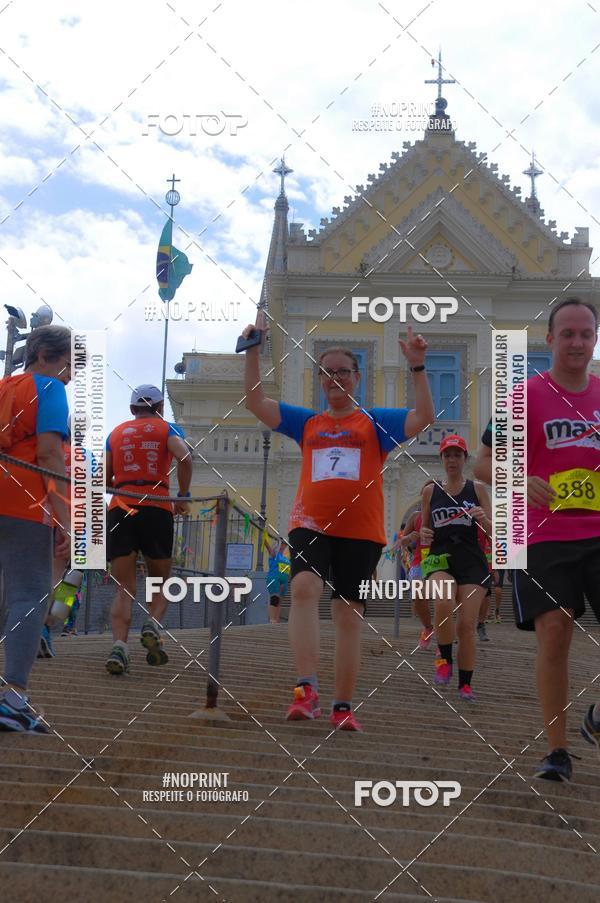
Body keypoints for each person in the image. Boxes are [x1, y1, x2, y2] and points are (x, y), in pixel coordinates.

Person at [242, 313, 435, 731]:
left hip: (362, 531)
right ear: (320, 380)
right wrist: (253, 352)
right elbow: (256, 402)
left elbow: (423, 418)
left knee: (348, 615)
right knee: (303, 586)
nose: (335, 379)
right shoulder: (306, 421)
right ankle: (305, 688)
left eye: (343, 372)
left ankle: (343, 705)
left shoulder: (374, 422)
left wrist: (417, 365)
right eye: (327, 373)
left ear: (357, 377)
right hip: (309, 522)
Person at [477, 297, 600, 781]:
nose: (576, 342)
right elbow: (484, 465)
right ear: (549, 340)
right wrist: (519, 475)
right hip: (545, 536)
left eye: (585, 333)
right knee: (555, 631)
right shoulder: (525, 396)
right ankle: (558, 750)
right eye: (566, 333)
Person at [0, 325, 71, 732]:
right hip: (23, 501)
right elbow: (48, 453)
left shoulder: (5, 385)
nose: (69, 374)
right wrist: (63, 517)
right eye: (67, 364)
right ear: (46, 355)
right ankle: (13, 698)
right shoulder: (49, 389)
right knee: (29, 593)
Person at [104, 385, 192, 675]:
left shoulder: (115, 434)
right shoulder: (167, 430)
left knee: (124, 588)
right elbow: (186, 458)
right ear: (160, 407)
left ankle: (120, 646)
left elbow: (104, 479)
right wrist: (183, 494)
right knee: (161, 582)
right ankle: (152, 624)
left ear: (133, 410)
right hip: (157, 505)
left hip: (121, 507)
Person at [420, 435, 493, 702]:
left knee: (466, 625)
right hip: (442, 559)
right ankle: (445, 660)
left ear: (465, 459)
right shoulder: (430, 491)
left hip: (472, 562)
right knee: (442, 602)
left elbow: (495, 534)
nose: (452, 460)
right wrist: (425, 535)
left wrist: (484, 519)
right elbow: (425, 528)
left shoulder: (477, 490)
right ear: (441, 459)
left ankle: (465, 684)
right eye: (447, 455)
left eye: (457, 455)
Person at [399, 480, 435, 650]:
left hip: (443, 562)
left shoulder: (446, 516)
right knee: (419, 599)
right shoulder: (415, 517)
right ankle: (428, 627)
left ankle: (444, 641)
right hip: (420, 562)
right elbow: (402, 542)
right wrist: (409, 538)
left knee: (445, 601)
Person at [266, 540, 290, 624]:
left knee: (279, 601)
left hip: (284, 581)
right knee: (275, 598)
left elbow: (288, 570)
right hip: (274, 578)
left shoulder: (286, 557)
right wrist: (265, 538)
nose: (284, 545)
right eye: (282, 543)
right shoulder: (274, 554)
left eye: (285, 544)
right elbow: (268, 547)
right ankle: (272, 619)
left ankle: (276, 620)